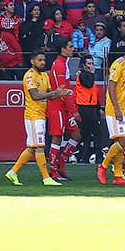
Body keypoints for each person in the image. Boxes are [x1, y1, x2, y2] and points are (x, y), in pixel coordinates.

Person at [5, 52, 62, 186]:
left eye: (44, 60)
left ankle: (12, 172)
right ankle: (46, 178)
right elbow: (35, 96)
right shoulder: (29, 76)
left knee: (31, 148)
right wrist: (54, 93)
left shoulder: (44, 76)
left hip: (40, 115)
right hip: (33, 115)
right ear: (32, 61)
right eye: (39, 60)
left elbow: (49, 95)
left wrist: (59, 93)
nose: (42, 62)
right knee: (39, 146)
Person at [99, 39, 125, 186]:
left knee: (121, 143)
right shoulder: (118, 64)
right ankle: (103, 165)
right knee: (123, 141)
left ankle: (117, 176)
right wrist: (116, 108)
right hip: (115, 110)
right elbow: (111, 87)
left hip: (124, 110)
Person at [47, 38, 82, 181]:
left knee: (76, 136)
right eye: (70, 46)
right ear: (63, 49)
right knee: (57, 138)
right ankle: (53, 171)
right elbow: (62, 91)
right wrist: (73, 109)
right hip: (57, 106)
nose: (73, 49)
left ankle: (60, 164)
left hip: (65, 107)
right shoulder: (59, 65)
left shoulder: (64, 64)